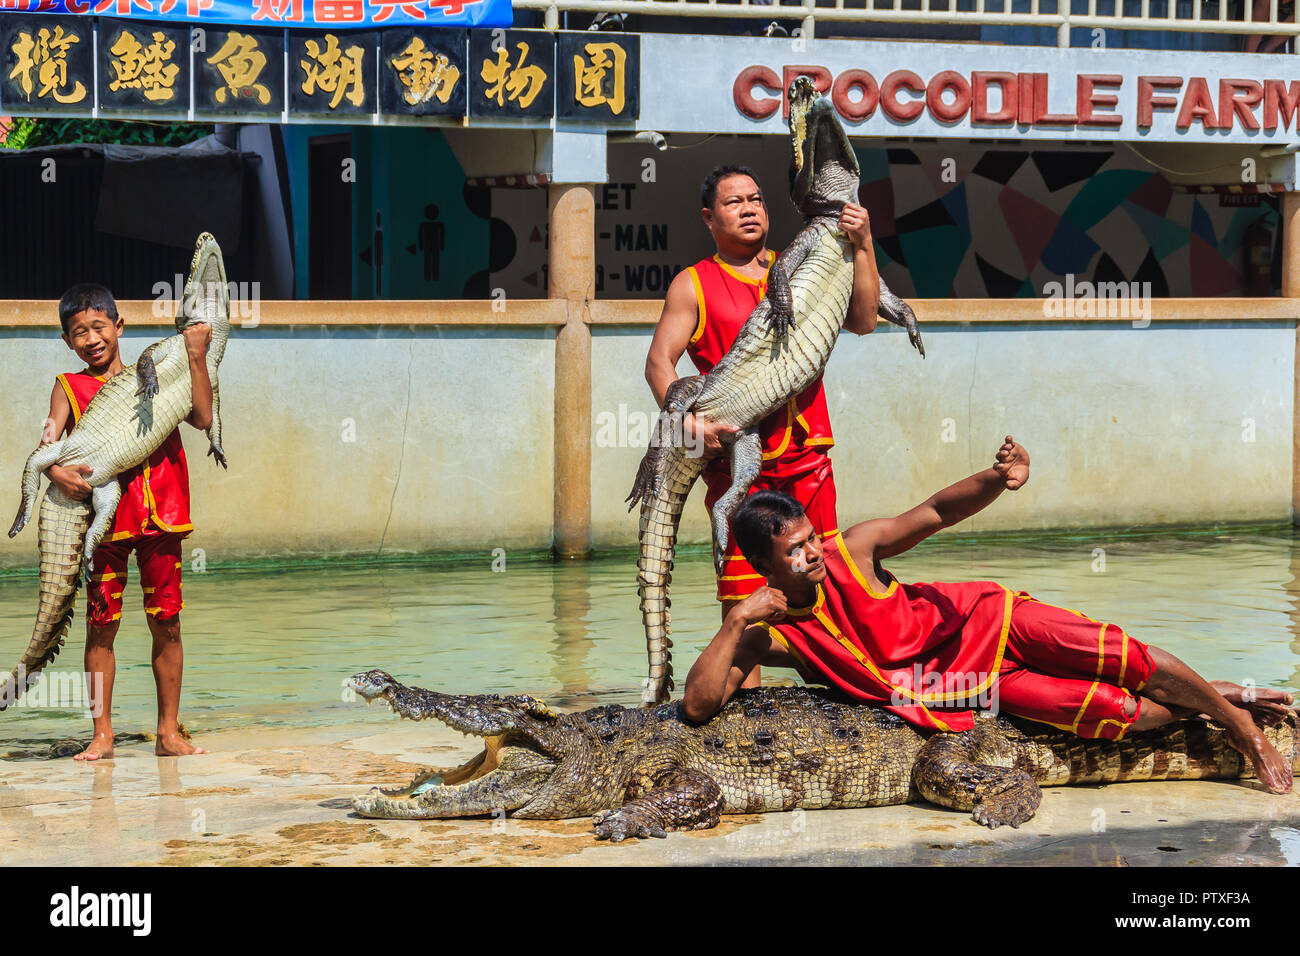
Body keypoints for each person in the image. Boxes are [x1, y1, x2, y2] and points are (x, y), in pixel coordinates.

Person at [681, 436, 1295, 794]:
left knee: (1121, 657)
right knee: (1108, 712)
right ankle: (1223, 696)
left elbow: (933, 513)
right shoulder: (773, 632)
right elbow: (699, 707)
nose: (813, 553)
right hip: (974, 687)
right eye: (795, 550)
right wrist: (735, 623)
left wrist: (999, 478)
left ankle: (1240, 727)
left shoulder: (853, 548)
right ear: (764, 564)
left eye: (811, 538)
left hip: (990, 620)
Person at [644, 163, 882, 686]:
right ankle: (740, 727)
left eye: (756, 198)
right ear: (709, 218)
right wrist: (690, 430)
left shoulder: (803, 262)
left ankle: (841, 706)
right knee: (746, 610)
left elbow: (864, 320)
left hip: (807, 459)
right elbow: (660, 363)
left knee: (825, 595)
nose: (750, 208)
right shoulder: (694, 284)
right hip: (738, 466)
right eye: (734, 203)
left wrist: (863, 244)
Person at [43, 283, 212, 760]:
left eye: (99, 327)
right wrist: (57, 470)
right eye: (79, 333)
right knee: (101, 627)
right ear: (67, 340)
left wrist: (196, 356)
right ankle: (102, 734)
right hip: (106, 520)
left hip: (162, 511)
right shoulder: (68, 387)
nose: (91, 339)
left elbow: (201, 417)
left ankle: (168, 732)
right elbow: (47, 442)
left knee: (169, 624)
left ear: (119, 326)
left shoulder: (158, 372)